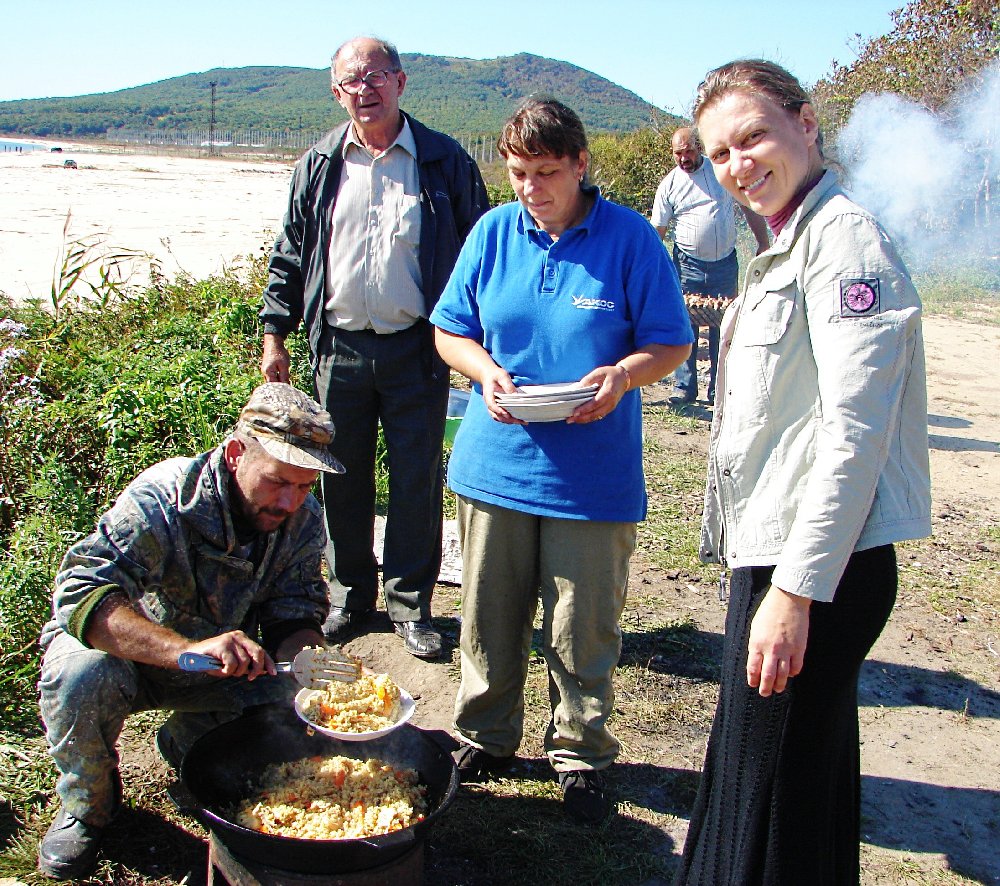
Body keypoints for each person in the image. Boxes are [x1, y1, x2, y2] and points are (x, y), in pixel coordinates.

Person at [674, 60, 931, 885]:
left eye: (753, 136)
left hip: (817, 566)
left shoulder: (844, 241)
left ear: (806, 122)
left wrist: (793, 593)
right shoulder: (790, 237)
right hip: (785, 552)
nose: (737, 164)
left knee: (771, 797)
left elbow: (855, 432)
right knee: (781, 782)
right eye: (720, 152)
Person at [430, 97, 693, 824]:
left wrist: (623, 377)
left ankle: (580, 752)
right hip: (495, 464)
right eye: (518, 173)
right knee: (488, 615)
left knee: (583, 625)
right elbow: (449, 331)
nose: (531, 188)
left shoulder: (630, 239)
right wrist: (484, 373)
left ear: (581, 164)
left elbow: (671, 342)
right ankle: (485, 735)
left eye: (546, 172)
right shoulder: (492, 232)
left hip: (592, 476)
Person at [35, 383, 343, 880]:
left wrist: (309, 660)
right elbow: (82, 593)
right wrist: (186, 651)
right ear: (237, 453)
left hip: (225, 666)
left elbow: (296, 607)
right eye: (277, 481)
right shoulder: (164, 498)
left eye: (305, 486)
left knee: (288, 708)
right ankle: (88, 806)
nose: (289, 501)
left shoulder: (302, 517)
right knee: (80, 676)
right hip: (137, 656)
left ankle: (187, 742)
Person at [260, 36, 489, 659]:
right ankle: (351, 596)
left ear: (400, 82)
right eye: (351, 81)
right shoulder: (318, 164)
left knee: (417, 477)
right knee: (340, 477)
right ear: (337, 92)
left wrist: (481, 344)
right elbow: (289, 254)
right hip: (337, 349)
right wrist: (275, 334)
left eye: (375, 76)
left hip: (419, 348)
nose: (364, 89)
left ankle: (411, 605)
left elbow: (480, 254)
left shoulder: (443, 160)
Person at [651, 126, 770, 403]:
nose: (684, 158)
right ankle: (685, 387)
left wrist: (763, 242)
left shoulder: (720, 172)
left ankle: (719, 388)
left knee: (724, 324)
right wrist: (653, 267)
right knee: (686, 323)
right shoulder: (670, 184)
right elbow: (658, 229)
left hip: (724, 262)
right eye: (678, 153)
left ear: (699, 147)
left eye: (688, 151)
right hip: (687, 263)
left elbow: (747, 205)